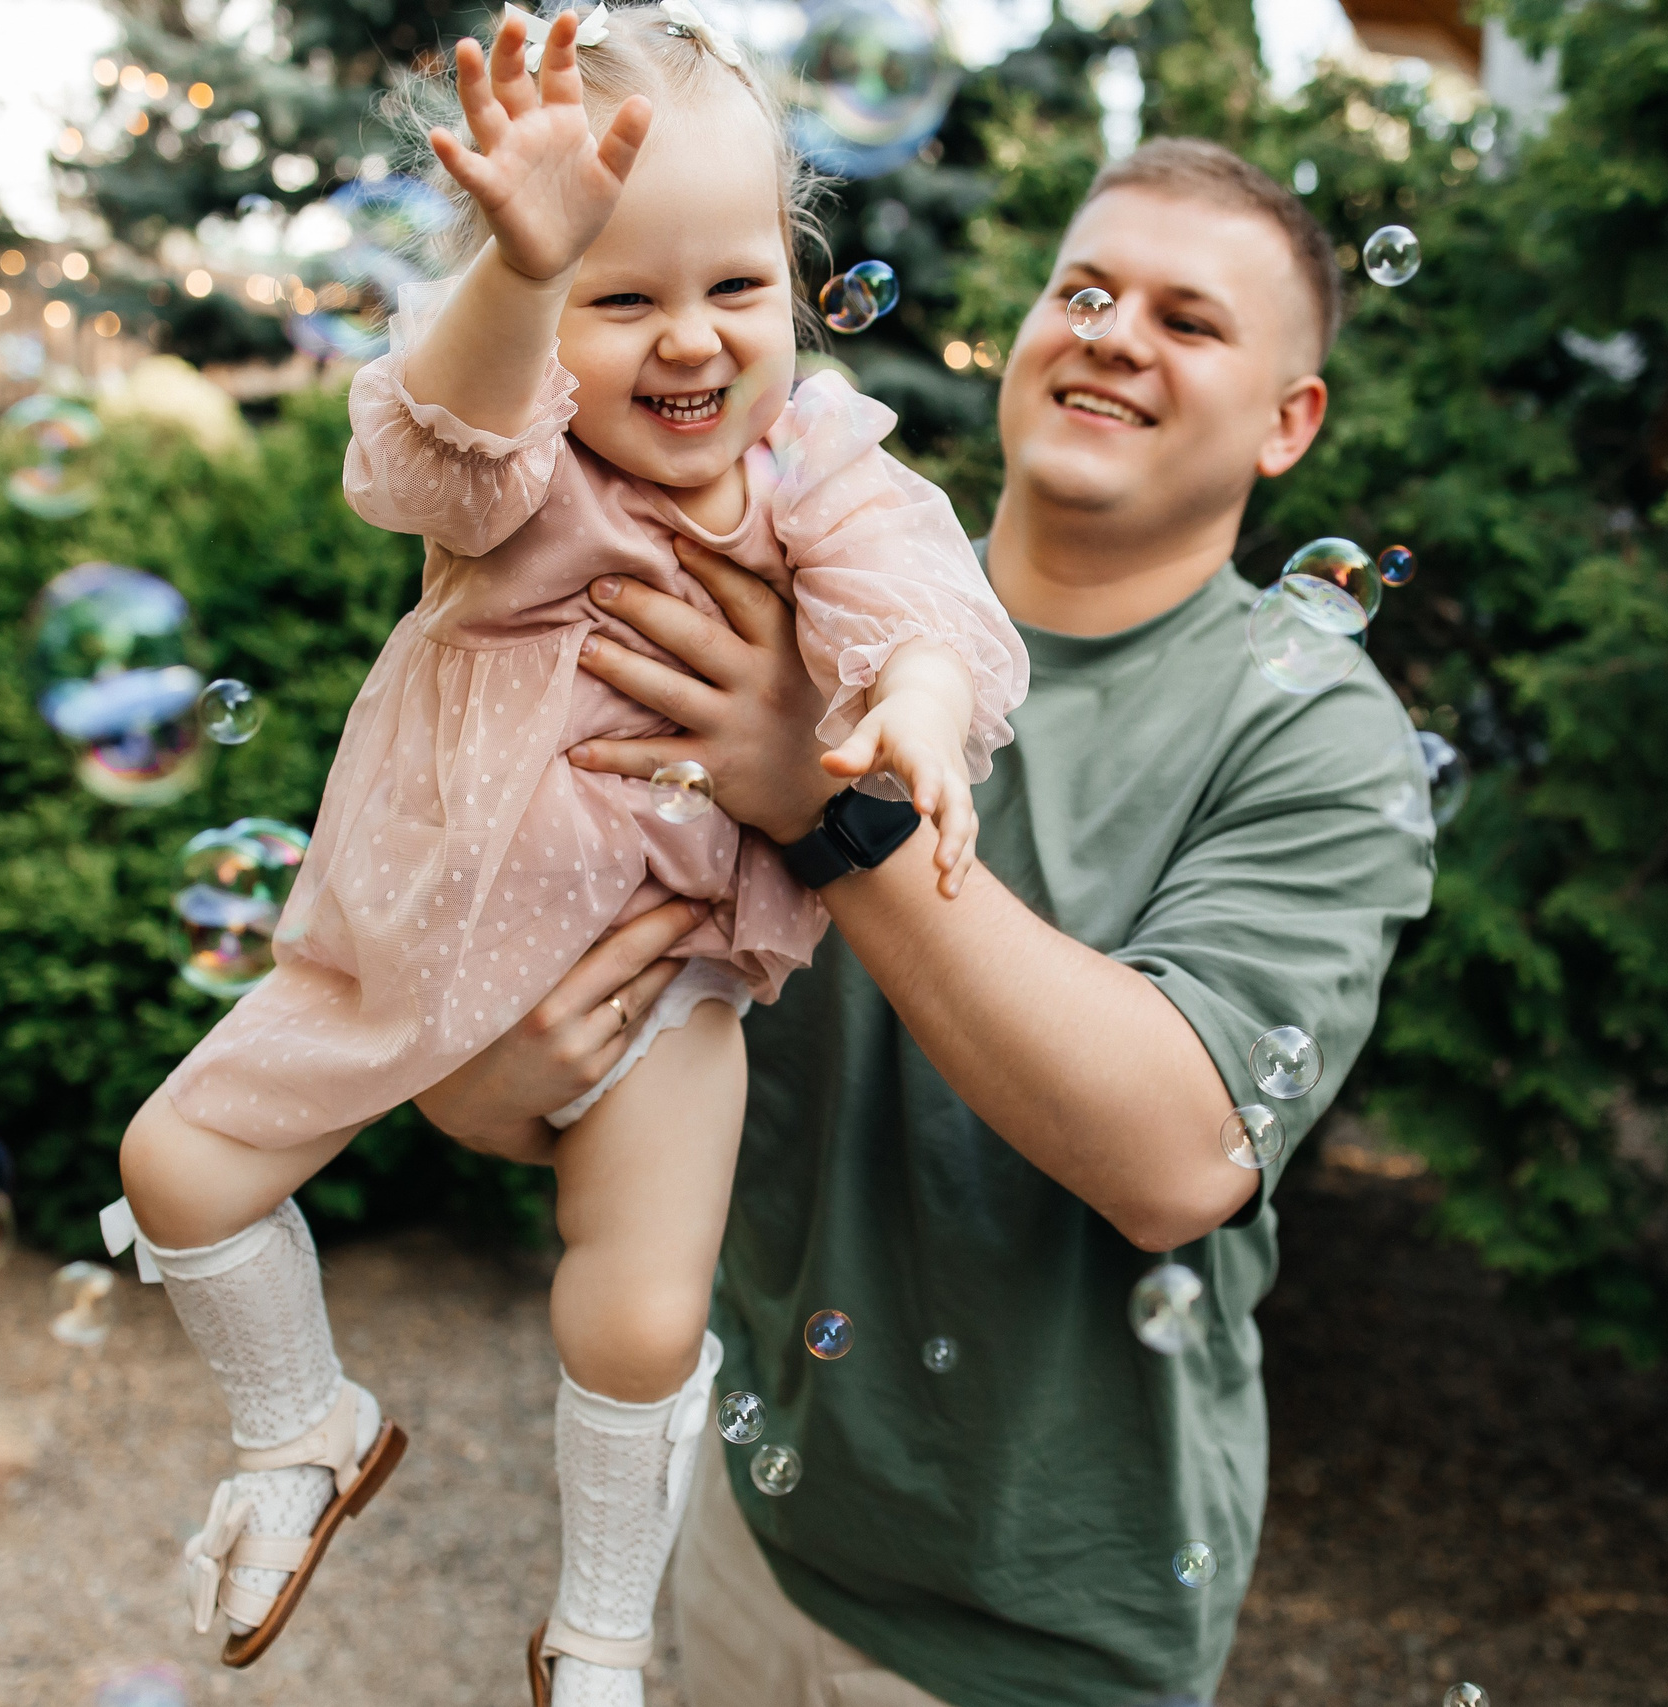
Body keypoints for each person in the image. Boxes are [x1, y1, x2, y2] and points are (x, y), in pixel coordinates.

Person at [417, 137, 1437, 1703]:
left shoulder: (1309, 733)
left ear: (1290, 421)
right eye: (1083, 289)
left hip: (1039, 1625)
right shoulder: (807, 589)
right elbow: (555, 1050)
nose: (1110, 332)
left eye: (1188, 318)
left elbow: (1180, 1158)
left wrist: (813, 795)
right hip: (757, 1520)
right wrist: (491, 1079)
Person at [97, 8, 1027, 1703]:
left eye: (735, 287)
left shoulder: (806, 458)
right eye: (618, 294)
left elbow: (917, 586)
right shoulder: (511, 449)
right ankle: (301, 1424)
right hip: (404, 943)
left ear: (798, 282)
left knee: (641, 1314)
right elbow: (417, 453)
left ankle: (597, 1635)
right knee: (177, 1166)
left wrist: (918, 692)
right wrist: (519, 281)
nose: (689, 341)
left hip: (666, 973)